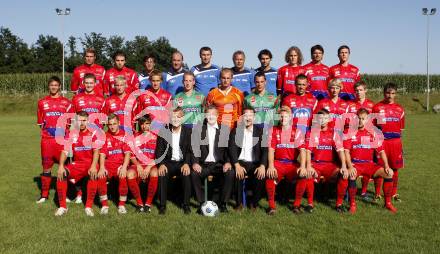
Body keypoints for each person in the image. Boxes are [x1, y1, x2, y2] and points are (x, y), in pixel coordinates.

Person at [343, 108, 397, 213]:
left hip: (369, 165)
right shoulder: (349, 132)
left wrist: (386, 165)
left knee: (389, 173)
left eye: (363, 119)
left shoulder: (372, 133)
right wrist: (350, 166)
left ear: (367, 120)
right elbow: (346, 152)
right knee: (352, 175)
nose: (360, 121)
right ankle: (352, 204)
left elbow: (381, 151)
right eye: (358, 118)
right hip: (356, 165)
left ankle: (388, 203)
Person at [54, 111, 103, 216]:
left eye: (84, 120)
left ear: (88, 121)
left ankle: (88, 207)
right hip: (78, 164)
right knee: (62, 174)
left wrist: (94, 166)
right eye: (79, 121)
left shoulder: (94, 132)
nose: (81, 123)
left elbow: (96, 151)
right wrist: (61, 166)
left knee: (93, 174)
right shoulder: (72, 134)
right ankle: (62, 207)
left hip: (90, 163)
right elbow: (65, 151)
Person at [36, 76, 73, 203]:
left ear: (59, 87)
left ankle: (65, 195)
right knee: (46, 168)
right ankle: (44, 195)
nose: (54, 87)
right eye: (51, 85)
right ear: (49, 86)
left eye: (56, 85)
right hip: (47, 141)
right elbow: (41, 124)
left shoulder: (67, 103)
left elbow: (70, 124)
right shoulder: (42, 102)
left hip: (62, 141)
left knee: (65, 167)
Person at [190, 105, 234, 213]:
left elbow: (229, 149)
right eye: (208, 114)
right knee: (194, 173)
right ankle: (201, 203)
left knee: (230, 173)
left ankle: (223, 204)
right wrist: (195, 163)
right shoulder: (198, 129)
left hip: (219, 164)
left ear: (218, 115)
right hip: (203, 164)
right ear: (205, 116)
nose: (211, 117)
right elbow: (194, 148)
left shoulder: (225, 129)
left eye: (213, 114)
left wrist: (228, 162)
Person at [265, 106, 307, 215]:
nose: (283, 119)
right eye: (281, 117)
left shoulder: (297, 131)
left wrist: (303, 166)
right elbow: (271, 150)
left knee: (303, 175)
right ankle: (271, 206)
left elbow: (302, 151)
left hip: (292, 164)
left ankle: (296, 205)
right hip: (278, 163)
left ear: (290, 118)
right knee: (270, 174)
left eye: (286, 117)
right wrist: (270, 165)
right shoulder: (273, 130)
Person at [305, 109, 346, 212]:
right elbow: (308, 152)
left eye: (325, 118)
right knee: (309, 174)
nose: (322, 120)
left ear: (329, 119)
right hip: (316, 165)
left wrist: (344, 166)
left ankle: (339, 204)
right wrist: (309, 166)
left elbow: (341, 151)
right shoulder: (311, 133)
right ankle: (310, 204)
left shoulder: (334, 133)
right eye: (320, 118)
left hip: (330, 165)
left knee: (343, 174)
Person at [155, 108, 193, 214]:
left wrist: (186, 163)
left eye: (178, 117)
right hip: (168, 162)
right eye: (173, 117)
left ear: (182, 118)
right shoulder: (164, 131)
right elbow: (159, 150)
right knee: (162, 173)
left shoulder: (189, 131)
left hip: (182, 162)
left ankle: (186, 205)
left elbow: (191, 151)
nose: (175, 119)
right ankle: (162, 206)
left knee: (186, 174)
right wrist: (161, 164)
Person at [228, 107, 267, 210]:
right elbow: (232, 149)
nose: (248, 118)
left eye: (250, 116)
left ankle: (254, 203)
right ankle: (239, 203)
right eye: (245, 115)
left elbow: (265, 150)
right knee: (236, 173)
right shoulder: (236, 131)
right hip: (240, 162)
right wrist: (236, 165)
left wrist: (262, 166)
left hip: (255, 163)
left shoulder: (261, 131)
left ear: (254, 118)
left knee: (261, 176)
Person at [373, 83, 405, 202]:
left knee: (395, 168)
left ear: (395, 94)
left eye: (392, 93)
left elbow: (401, 129)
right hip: (382, 142)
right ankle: (377, 193)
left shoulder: (400, 109)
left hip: (395, 143)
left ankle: (394, 193)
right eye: (388, 93)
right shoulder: (377, 107)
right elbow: (373, 127)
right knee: (380, 167)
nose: (390, 96)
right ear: (384, 93)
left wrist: (399, 145)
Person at [346, 81, 379, 199]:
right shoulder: (350, 105)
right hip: (354, 135)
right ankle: (347, 193)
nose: (358, 92)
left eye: (360, 90)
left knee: (367, 161)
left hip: (367, 134)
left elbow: (375, 121)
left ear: (365, 90)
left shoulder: (371, 105)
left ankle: (364, 191)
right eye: (356, 90)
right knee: (354, 162)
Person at [98, 114, 131, 214]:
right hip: (108, 165)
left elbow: (128, 154)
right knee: (101, 176)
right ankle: (104, 205)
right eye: (110, 124)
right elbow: (102, 154)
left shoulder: (124, 135)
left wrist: (124, 167)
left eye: (114, 124)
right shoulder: (104, 135)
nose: (112, 126)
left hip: (120, 165)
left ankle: (121, 205)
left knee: (122, 176)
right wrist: (102, 167)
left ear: (119, 123)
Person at [127, 114, 160, 213]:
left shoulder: (156, 137)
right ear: (139, 125)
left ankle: (148, 204)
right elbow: (131, 154)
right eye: (142, 124)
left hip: (151, 164)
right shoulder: (134, 136)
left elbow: (159, 156)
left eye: (147, 124)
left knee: (155, 173)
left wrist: (148, 167)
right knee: (129, 174)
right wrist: (138, 166)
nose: (144, 126)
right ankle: (140, 204)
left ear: (151, 124)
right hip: (138, 164)